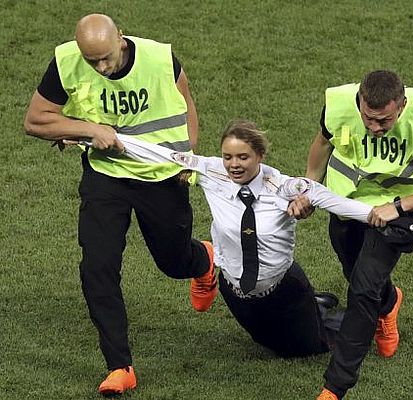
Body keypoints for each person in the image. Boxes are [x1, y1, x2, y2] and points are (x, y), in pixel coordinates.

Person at [23, 14, 217, 395]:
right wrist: (87, 129)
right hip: (106, 174)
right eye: (92, 60)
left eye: (105, 59)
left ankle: (203, 261)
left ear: (121, 40)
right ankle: (119, 366)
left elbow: (186, 106)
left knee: (172, 261)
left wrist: (188, 157)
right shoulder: (66, 61)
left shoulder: (160, 59)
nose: (100, 68)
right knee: (97, 267)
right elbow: (35, 120)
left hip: (160, 176)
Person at [117, 119, 380, 358]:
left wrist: (386, 215)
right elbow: (159, 154)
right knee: (271, 345)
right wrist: (104, 136)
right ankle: (316, 305)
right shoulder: (212, 172)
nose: (234, 165)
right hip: (236, 293)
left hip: (283, 290)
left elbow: (333, 201)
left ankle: (359, 312)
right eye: (228, 157)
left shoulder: (285, 187)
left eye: (243, 157)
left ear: (260, 156)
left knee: (309, 348)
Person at [295, 70, 413, 399]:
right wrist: (309, 187)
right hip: (347, 206)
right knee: (355, 272)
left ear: (402, 106)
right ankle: (389, 303)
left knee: (362, 290)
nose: (375, 128)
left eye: (384, 121)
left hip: (396, 212)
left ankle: (334, 388)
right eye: (368, 118)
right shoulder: (338, 104)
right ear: (360, 101)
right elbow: (322, 142)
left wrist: (399, 206)